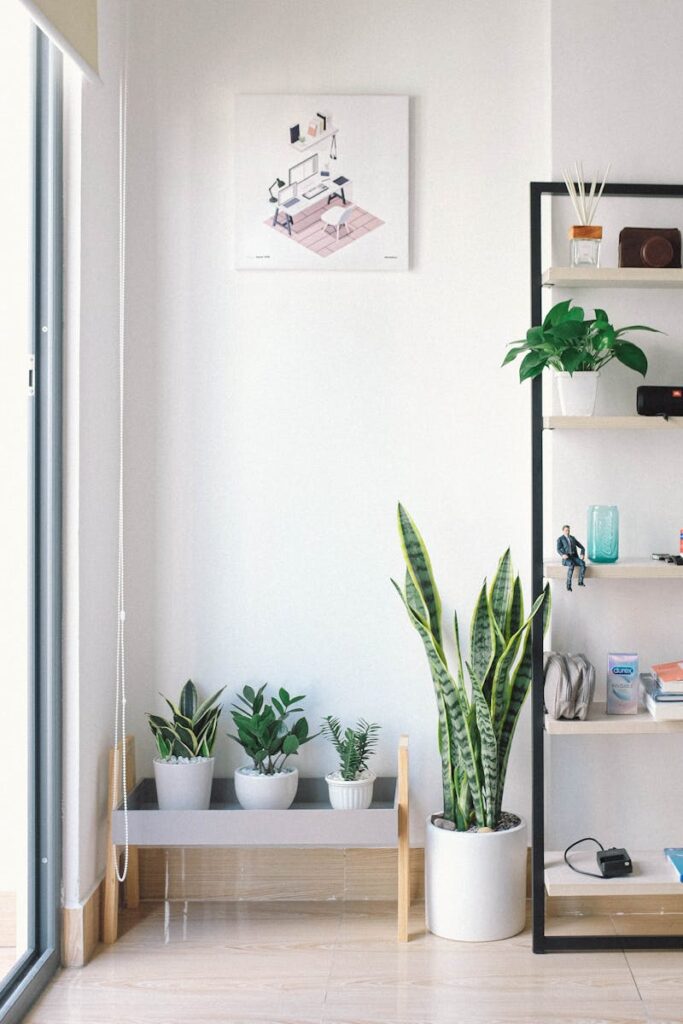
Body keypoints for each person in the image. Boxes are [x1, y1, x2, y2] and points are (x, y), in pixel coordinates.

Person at [557, 525, 586, 591]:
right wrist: (562, 555)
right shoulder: (560, 539)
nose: (567, 532)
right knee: (571, 565)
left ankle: (580, 581)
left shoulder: (572, 538)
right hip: (566, 558)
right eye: (566, 530)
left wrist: (582, 554)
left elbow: (582, 547)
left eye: (568, 530)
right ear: (563, 531)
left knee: (582, 563)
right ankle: (568, 585)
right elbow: (558, 549)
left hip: (574, 557)